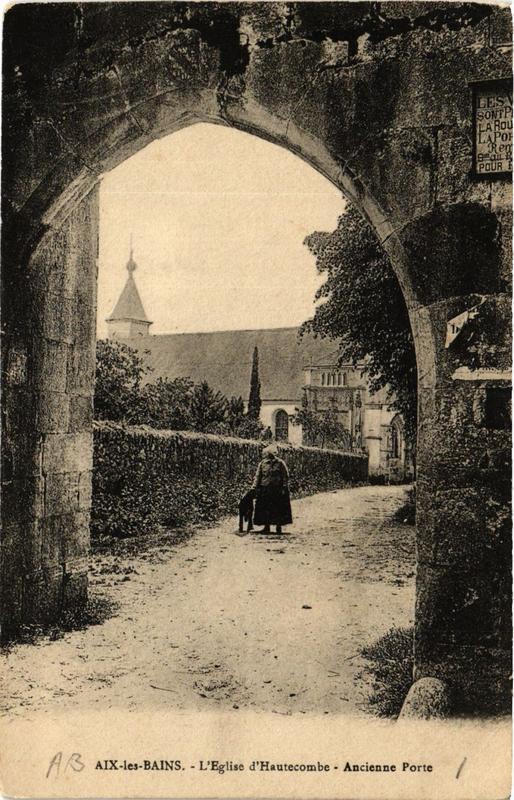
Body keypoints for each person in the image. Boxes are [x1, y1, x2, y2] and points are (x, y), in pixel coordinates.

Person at [252, 443, 292, 534]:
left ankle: (278, 527)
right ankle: (266, 527)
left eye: (272, 454)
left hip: (277, 489)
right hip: (265, 489)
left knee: (278, 508)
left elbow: (285, 476)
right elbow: (258, 476)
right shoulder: (262, 464)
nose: (270, 456)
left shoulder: (280, 463)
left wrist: (284, 487)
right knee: (265, 508)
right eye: (268, 454)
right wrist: (254, 487)